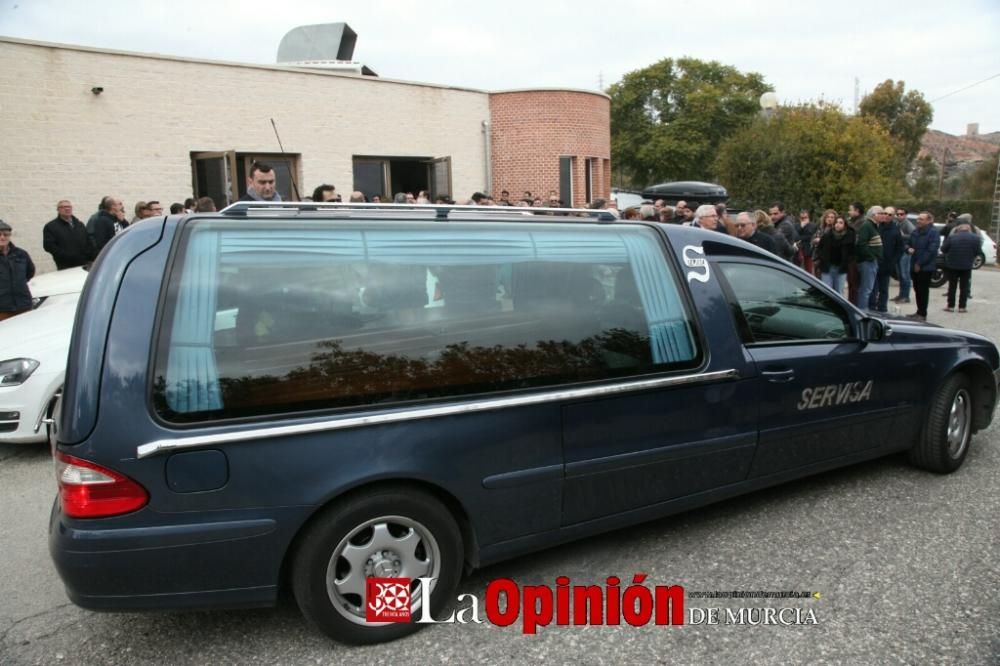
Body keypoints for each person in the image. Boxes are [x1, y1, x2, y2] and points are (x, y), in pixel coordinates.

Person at [907, 211, 940, 322]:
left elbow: (931, 250)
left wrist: (919, 263)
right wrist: (908, 249)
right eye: (918, 218)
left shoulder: (933, 233)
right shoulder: (916, 231)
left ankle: (922, 313)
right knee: (917, 289)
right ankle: (918, 311)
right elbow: (908, 242)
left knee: (923, 290)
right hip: (914, 264)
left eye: (921, 219)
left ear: (929, 220)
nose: (918, 221)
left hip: (925, 267)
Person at [941, 222, 982, 313]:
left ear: (958, 229)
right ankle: (962, 307)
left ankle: (950, 306)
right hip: (967, 266)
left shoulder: (952, 237)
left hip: (952, 265)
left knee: (952, 286)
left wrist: (949, 255)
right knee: (964, 287)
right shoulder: (976, 238)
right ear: (969, 229)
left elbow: (943, 249)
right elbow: (978, 252)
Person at [0, 219, 35, 321]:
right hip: (2, 308)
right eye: (0, 234)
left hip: (23, 305)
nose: (2, 237)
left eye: (5, 234)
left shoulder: (21, 254)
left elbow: (30, 272)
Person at [43, 200, 94, 270]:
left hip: (84, 264)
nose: (67, 209)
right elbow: (49, 246)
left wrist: (90, 256)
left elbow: (88, 242)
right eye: (63, 207)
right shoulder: (51, 227)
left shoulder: (79, 225)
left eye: (69, 207)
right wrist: (65, 256)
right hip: (65, 265)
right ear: (58, 210)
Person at [871, 206, 902, 313]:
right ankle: (871, 307)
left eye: (889, 214)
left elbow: (900, 247)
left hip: (887, 264)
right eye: (884, 213)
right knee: (872, 288)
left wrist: (893, 261)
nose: (886, 216)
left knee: (883, 289)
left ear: (893, 217)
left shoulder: (896, 230)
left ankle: (882, 308)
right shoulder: (876, 226)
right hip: (874, 262)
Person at [816, 216, 855, 296]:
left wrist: (847, 261)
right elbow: (819, 248)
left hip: (841, 268)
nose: (838, 224)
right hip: (827, 267)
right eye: (836, 222)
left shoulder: (849, 236)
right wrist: (822, 258)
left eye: (841, 223)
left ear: (845, 225)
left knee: (839, 292)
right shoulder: (827, 235)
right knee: (827, 291)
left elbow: (852, 252)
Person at [854, 206, 883, 310]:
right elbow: (861, 243)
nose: (883, 215)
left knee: (868, 288)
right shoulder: (867, 226)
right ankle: (862, 311)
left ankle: (864, 309)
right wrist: (871, 257)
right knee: (866, 289)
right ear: (874, 215)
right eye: (881, 213)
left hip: (871, 262)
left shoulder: (874, 226)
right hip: (867, 262)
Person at [892, 207, 914, 304]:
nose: (899, 216)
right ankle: (901, 294)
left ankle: (905, 296)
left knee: (905, 275)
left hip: (905, 252)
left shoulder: (907, 224)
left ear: (905, 215)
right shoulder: (897, 223)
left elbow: (913, 235)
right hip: (899, 251)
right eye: (898, 214)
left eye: (902, 214)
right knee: (900, 275)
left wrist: (902, 235)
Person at [811, 210, 837, 277]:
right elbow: (812, 241)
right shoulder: (820, 228)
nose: (829, 219)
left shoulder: (836, 230)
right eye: (828, 217)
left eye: (832, 217)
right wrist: (815, 241)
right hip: (817, 258)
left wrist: (821, 240)